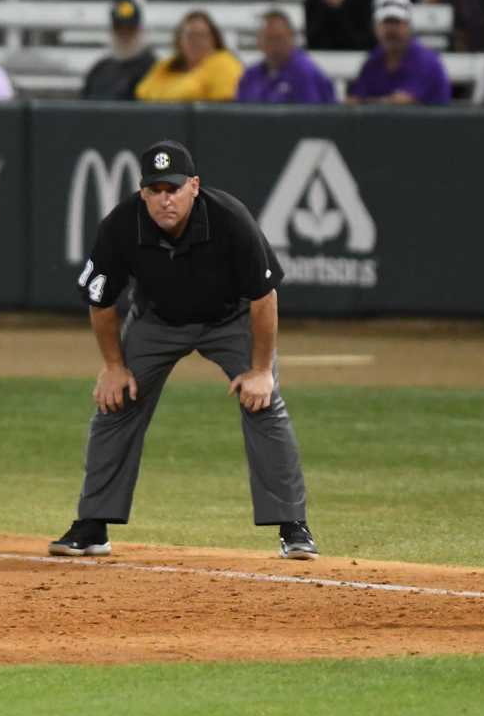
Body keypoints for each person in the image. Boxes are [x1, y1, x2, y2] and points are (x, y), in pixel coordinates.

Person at [52, 139, 314, 562]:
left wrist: (261, 369)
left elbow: (265, 298)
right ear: (143, 193)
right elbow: (101, 301)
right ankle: (93, 525)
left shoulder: (230, 219)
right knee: (116, 402)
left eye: (172, 189)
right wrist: (114, 366)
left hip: (231, 320)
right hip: (157, 323)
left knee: (263, 403)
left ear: (194, 185)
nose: (164, 199)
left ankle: (293, 526)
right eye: (155, 190)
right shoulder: (121, 226)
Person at [348, 0, 449, 105]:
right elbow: (355, 101)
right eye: (386, 22)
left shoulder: (426, 60)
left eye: (396, 22)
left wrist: (364, 102)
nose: (391, 29)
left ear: (408, 26)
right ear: (375, 27)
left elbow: (402, 101)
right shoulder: (373, 61)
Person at [135, 10, 243, 101]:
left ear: (214, 40)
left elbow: (224, 102)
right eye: (190, 35)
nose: (196, 41)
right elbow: (143, 91)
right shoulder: (168, 65)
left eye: (202, 35)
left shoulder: (225, 64)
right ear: (179, 40)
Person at [235, 10, 336, 104]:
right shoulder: (251, 75)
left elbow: (314, 117)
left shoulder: (305, 73)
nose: (275, 45)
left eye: (279, 38)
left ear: (291, 37)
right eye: (269, 39)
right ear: (259, 41)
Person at [82, 0, 157, 101]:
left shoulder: (154, 69)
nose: (124, 34)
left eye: (130, 28)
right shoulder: (99, 69)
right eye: (119, 28)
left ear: (140, 30)